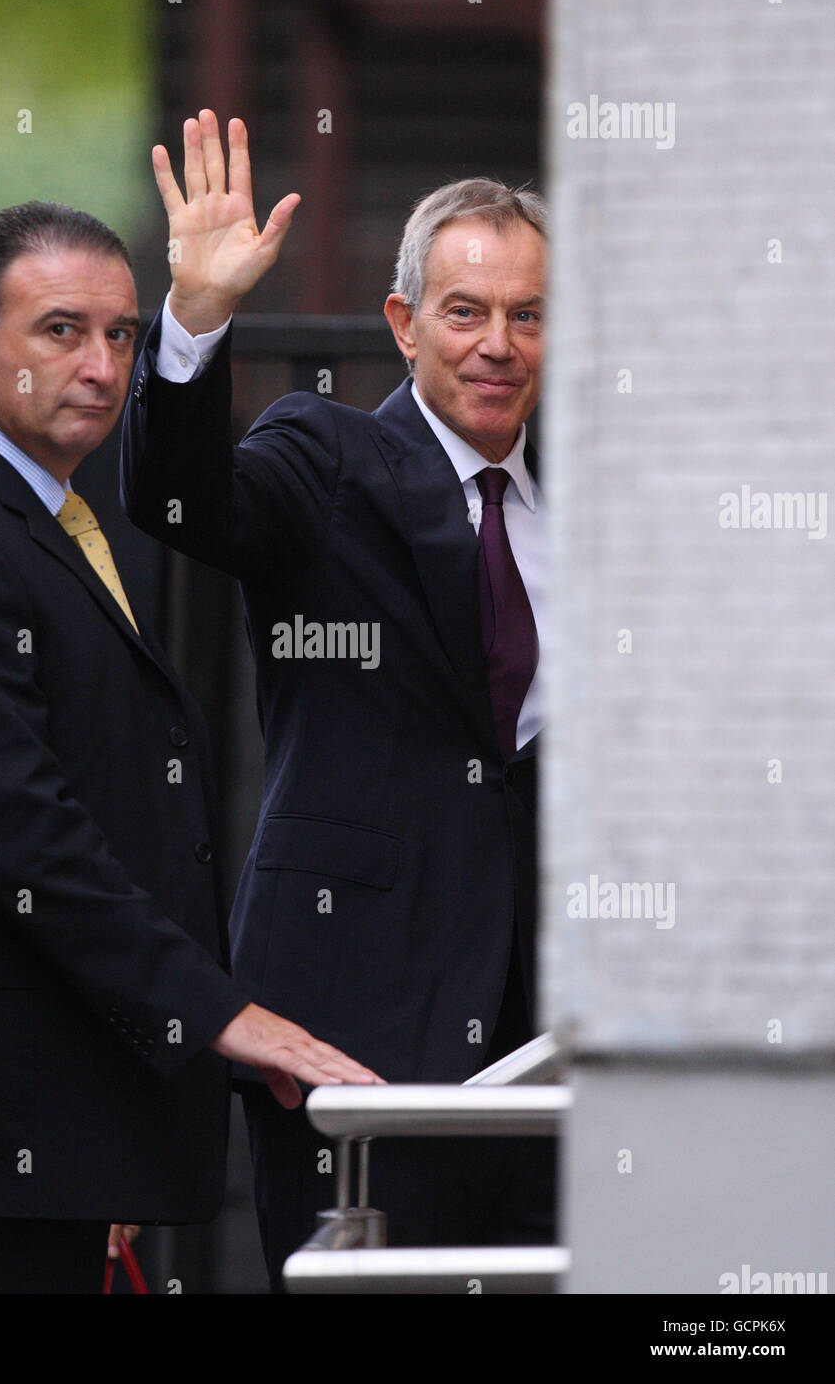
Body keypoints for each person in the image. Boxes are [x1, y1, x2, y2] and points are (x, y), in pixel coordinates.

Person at [0, 201, 379, 1295]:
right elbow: (29, 841)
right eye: (62, 331)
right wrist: (221, 1015)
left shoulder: (35, 515)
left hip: (36, 1139)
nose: (101, 363)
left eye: (122, 335)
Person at [121, 111, 553, 1289]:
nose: (498, 344)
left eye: (528, 314)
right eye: (466, 312)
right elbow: (182, 506)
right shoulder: (326, 459)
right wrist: (197, 318)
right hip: (355, 1020)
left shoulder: (596, 499)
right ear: (405, 326)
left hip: (554, 1033)